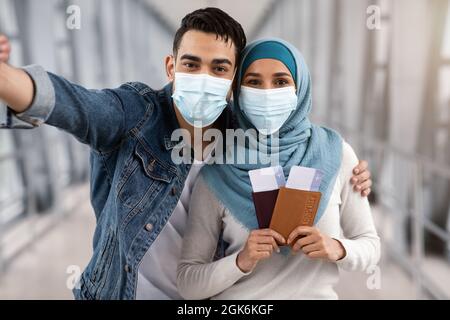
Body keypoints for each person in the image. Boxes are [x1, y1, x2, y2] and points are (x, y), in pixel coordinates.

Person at [0, 8, 372, 300]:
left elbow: (299, 140)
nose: (204, 77)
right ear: (171, 66)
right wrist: (6, 77)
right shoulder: (135, 115)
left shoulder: (247, 134)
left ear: (233, 85)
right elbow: (73, 104)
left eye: (220, 69)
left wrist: (349, 173)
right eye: (191, 64)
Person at [177, 39, 380, 300]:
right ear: (237, 91)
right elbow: (188, 283)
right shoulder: (217, 173)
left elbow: (371, 246)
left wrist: (337, 248)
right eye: (253, 82)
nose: (267, 92)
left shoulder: (336, 154)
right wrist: (241, 261)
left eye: (281, 81)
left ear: (300, 88)